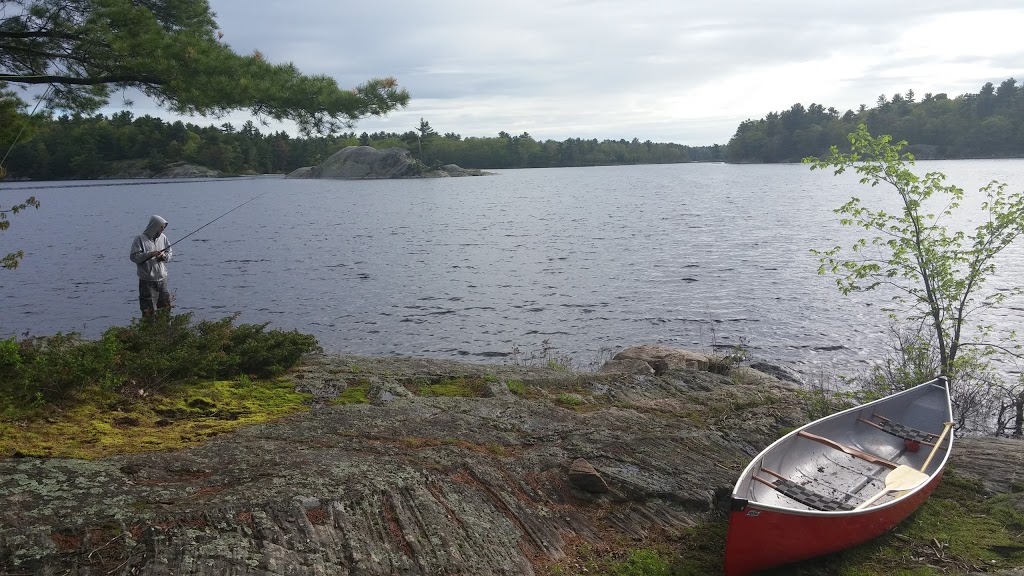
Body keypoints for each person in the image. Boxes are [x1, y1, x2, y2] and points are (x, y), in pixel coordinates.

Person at [129, 215, 173, 316]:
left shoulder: (163, 238)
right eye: (161, 227)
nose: (163, 230)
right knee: (148, 311)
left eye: (164, 227)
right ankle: (149, 330)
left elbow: (169, 252)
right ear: (154, 226)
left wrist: (164, 256)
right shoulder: (140, 239)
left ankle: (166, 330)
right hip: (147, 282)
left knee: (166, 309)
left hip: (162, 280)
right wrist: (150, 254)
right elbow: (134, 257)